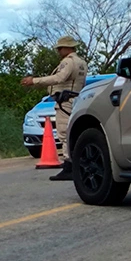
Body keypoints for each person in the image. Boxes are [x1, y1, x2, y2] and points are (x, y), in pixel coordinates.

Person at [21, 35, 88, 181]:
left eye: (61, 48)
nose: (59, 51)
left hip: (66, 100)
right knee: (71, 132)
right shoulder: (82, 62)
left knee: (64, 133)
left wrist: (35, 81)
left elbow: (59, 78)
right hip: (75, 97)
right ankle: (75, 163)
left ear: (67, 48)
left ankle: (69, 165)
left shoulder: (68, 62)